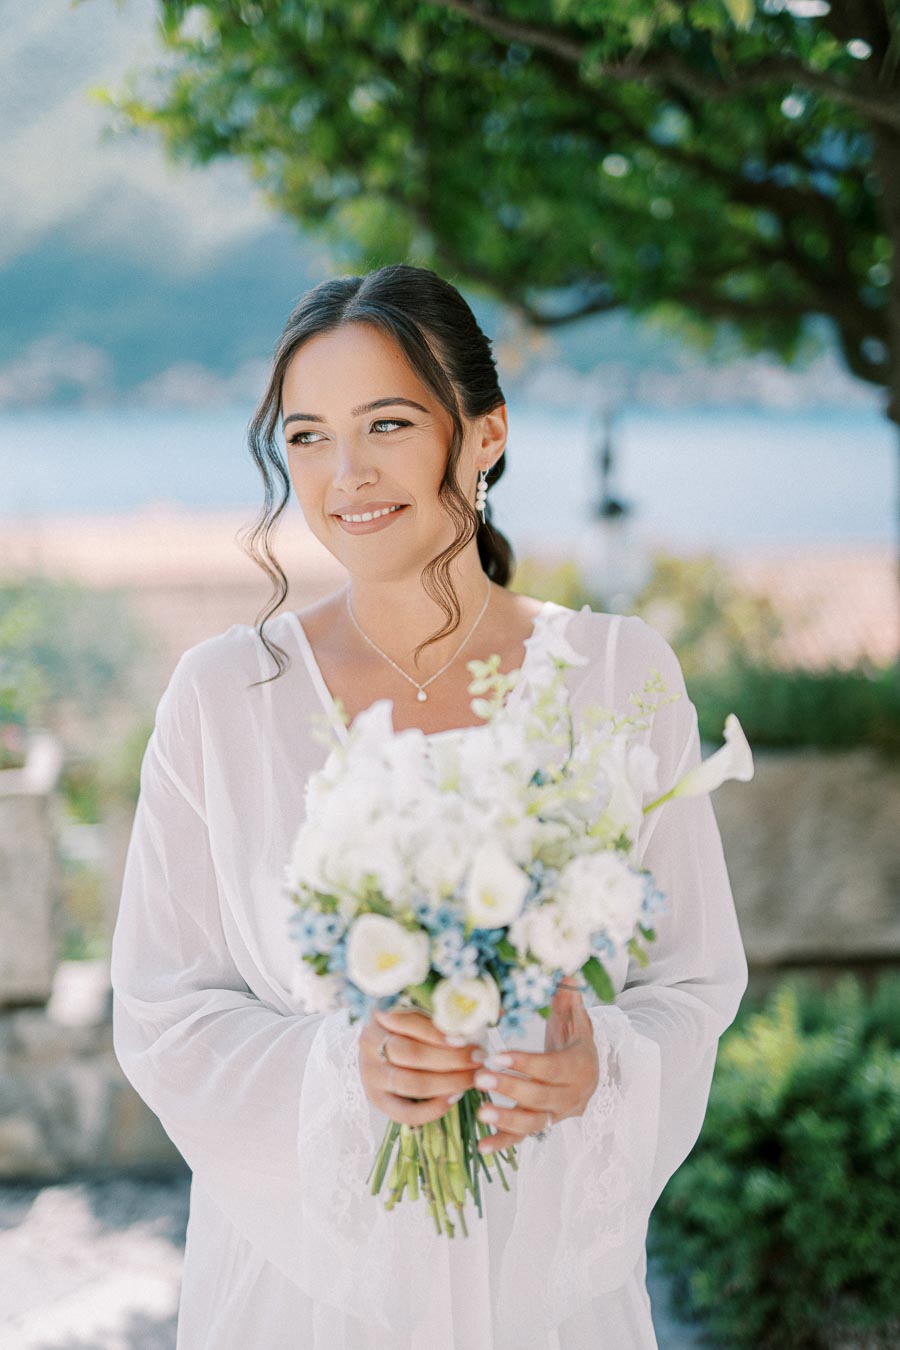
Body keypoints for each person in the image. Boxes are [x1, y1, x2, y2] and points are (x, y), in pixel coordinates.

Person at [110, 263, 749, 1350]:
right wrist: (339, 1072)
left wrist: (600, 1061)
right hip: (301, 1296)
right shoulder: (225, 698)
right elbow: (166, 1011)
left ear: (485, 433)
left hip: (544, 1286)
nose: (343, 474)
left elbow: (692, 980)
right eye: (306, 436)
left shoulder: (615, 678)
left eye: (388, 423)